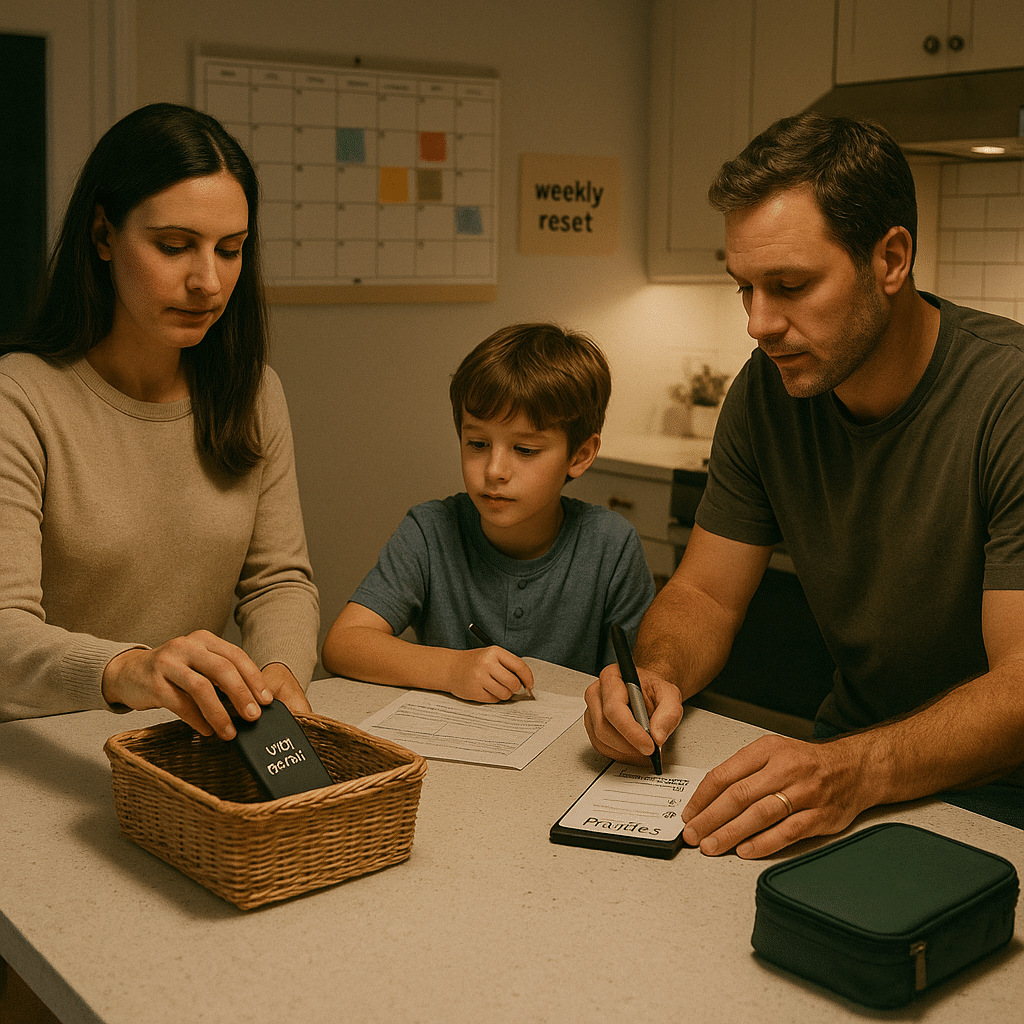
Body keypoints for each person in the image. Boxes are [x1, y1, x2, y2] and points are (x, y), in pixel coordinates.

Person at [584, 113, 1024, 857]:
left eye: (789, 285)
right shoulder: (766, 394)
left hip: (1001, 797)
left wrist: (854, 770)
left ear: (891, 259)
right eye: (744, 289)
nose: (758, 323)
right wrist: (654, 675)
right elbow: (705, 596)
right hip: (845, 770)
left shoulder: (1007, 398)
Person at [0, 103, 319, 741]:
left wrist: (280, 668)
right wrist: (129, 669)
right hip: (37, 749)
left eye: (231, 251)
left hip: (179, 746)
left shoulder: (254, 394)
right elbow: (4, 631)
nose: (207, 280)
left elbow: (278, 581)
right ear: (102, 236)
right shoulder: (21, 397)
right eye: (173, 246)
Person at [322, 323, 655, 701]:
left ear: (579, 455)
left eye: (525, 450)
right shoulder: (430, 531)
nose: (494, 470)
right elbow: (343, 643)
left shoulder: (611, 545)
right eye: (477, 443)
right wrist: (450, 669)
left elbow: (636, 680)